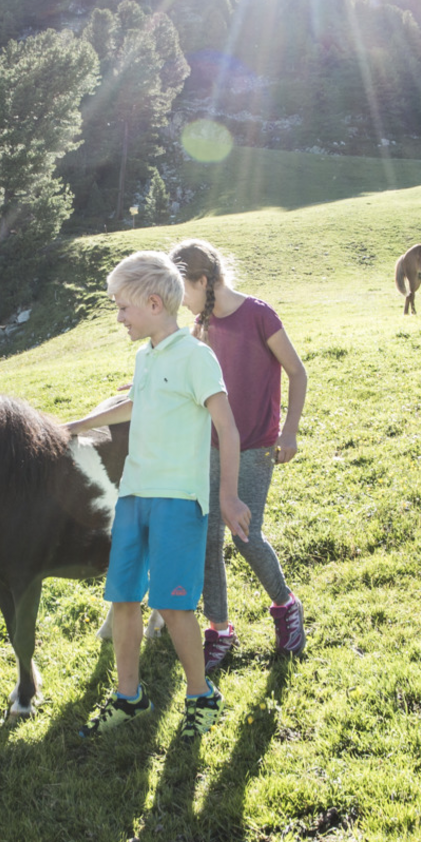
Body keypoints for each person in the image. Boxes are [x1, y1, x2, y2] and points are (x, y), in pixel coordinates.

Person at [66, 251, 251, 741]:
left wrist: (229, 497)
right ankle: (130, 697)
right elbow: (136, 403)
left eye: (123, 308)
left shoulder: (196, 356)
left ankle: (201, 695)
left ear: (152, 302)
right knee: (124, 597)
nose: (119, 318)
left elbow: (227, 430)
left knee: (173, 605)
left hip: (178, 499)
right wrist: (79, 424)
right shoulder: (145, 357)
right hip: (134, 494)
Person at [170, 239, 310, 668]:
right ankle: (219, 629)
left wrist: (289, 432)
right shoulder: (200, 324)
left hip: (256, 445)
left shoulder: (259, 315)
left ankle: (286, 607)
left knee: (245, 535)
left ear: (204, 281)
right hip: (210, 445)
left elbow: (297, 372)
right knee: (207, 538)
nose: (181, 301)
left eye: (184, 289)